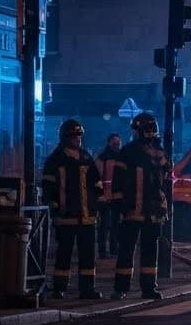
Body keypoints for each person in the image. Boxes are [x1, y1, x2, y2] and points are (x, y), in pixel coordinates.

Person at [42, 120, 104, 299]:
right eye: (74, 136)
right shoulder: (55, 160)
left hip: (87, 216)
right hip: (66, 216)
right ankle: (59, 288)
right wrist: (54, 208)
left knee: (87, 255)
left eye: (79, 135)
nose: (77, 139)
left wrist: (97, 204)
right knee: (64, 254)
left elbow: (97, 183)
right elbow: (48, 187)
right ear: (65, 137)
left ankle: (87, 289)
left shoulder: (86, 157)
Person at [112, 112, 170, 301]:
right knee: (128, 250)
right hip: (133, 210)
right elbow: (118, 181)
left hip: (150, 211)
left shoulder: (158, 153)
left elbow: (165, 181)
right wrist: (120, 205)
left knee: (148, 251)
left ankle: (147, 288)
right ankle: (122, 287)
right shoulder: (129, 152)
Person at [95, 132, 124, 259]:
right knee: (105, 224)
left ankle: (112, 249)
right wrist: (100, 194)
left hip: (116, 197)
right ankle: (104, 250)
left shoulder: (120, 158)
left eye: (119, 142)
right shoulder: (103, 158)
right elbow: (97, 178)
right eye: (115, 142)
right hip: (106, 197)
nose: (118, 145)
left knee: (114, 224)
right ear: (109, 143)